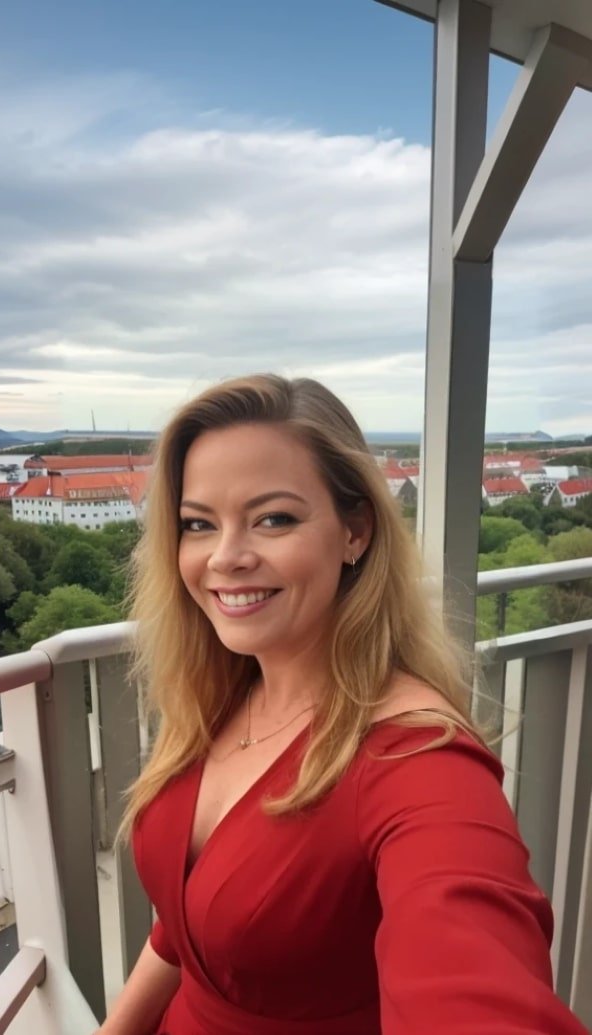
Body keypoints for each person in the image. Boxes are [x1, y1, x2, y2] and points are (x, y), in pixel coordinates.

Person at [95, 374, 588, 1035]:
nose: (226, 556)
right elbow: (181, 931)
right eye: (198, 524)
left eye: (273, 518)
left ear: (355, 530)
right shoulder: (219, 699)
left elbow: (471, 976)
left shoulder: (415, 759)